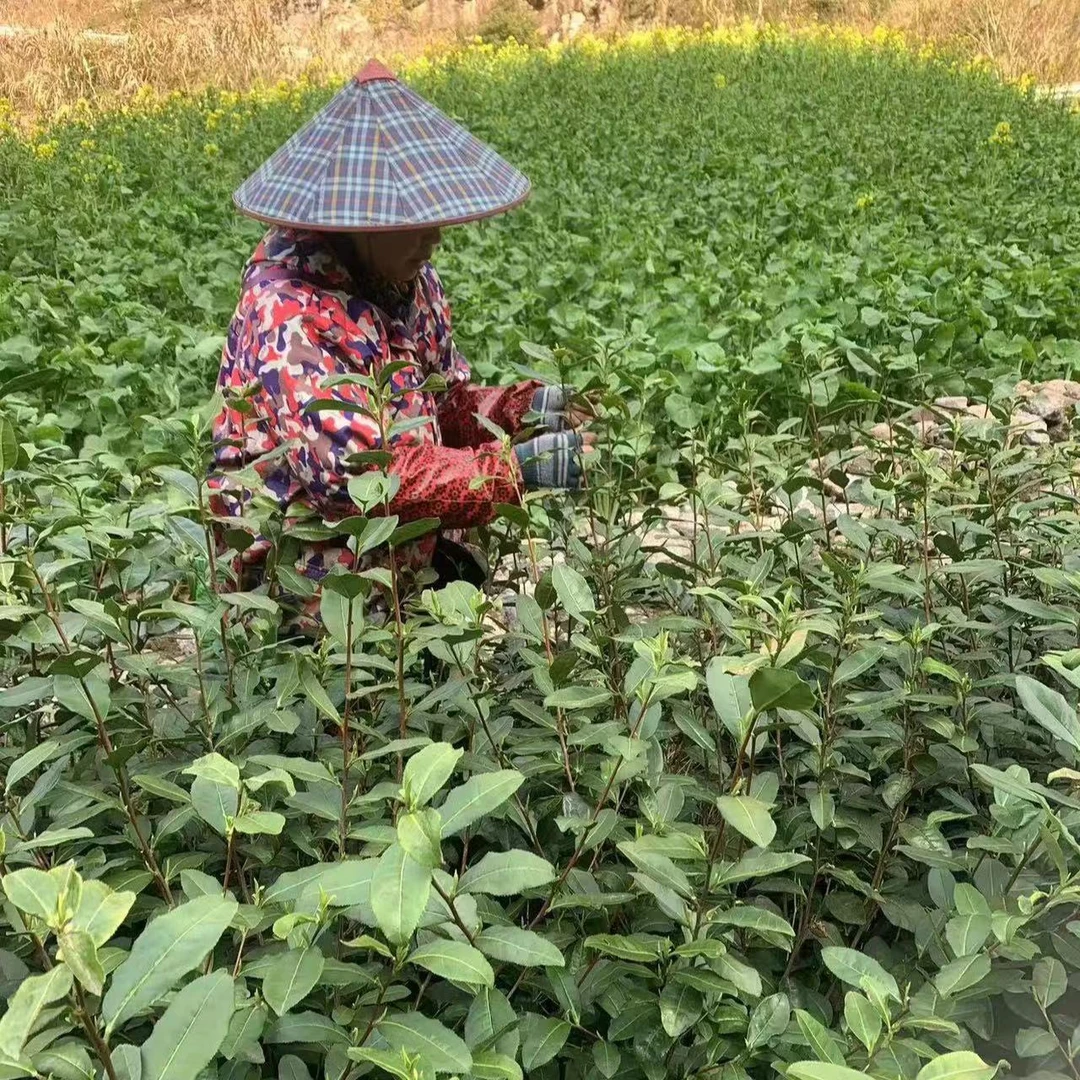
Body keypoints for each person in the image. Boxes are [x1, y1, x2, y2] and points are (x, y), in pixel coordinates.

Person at [208, 60, 591, 630]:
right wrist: (510, 473)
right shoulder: (289, 314)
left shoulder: (408, 281)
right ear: (359, 223)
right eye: (415, 222)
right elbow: (360, 480)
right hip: (305, 584)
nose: (434, 236)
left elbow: (441, 401)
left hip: (400, 562)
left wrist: (523, 408)